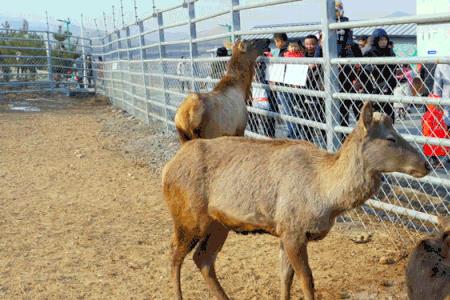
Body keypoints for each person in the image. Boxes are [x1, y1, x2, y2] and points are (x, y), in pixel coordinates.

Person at [360, 28, 397, 122]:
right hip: (373, 88)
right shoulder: (369, 54)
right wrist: (370, 91)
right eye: (381, 40)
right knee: (374, 117)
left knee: (388, 116)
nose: (384, 42)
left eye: (385, 39)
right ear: (376, 40)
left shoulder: (390, 53)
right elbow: (364, 75)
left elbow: (393, 71)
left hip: (387, 87)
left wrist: (392, 83)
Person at [422, 97, 449, 168]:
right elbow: (427, 129)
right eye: (440, 105)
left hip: (436, 135)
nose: (442, 106)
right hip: (431, 137)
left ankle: (434, 160)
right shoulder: (430, 116)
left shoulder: (439, 114)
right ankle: (433, 161)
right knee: (431, 148)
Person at [433, 63, 450, 128]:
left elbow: (437, 88)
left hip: (447, 104)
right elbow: (437, 88)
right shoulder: (441, 65)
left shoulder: (441, 65)